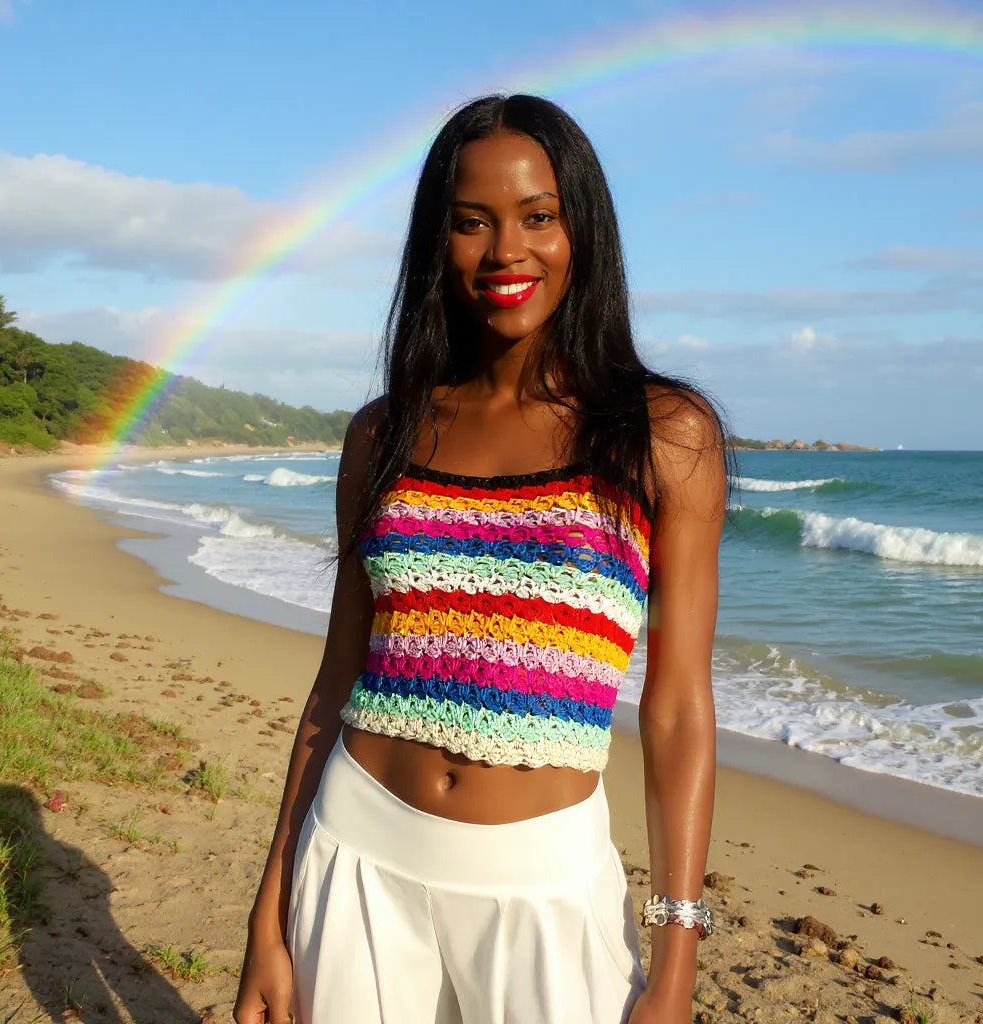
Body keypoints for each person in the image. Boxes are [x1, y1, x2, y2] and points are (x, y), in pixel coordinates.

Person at [234, 94, 730, 1024]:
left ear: (581, 230)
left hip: (541, 888)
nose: (508, 250)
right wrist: (272, 913)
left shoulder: (662, 436)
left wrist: (676, 963)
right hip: (355, 855)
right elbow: (337, 678)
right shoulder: (382, 432)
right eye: (473, 222)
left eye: (538, 217)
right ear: (439, 241)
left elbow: (677, 712)